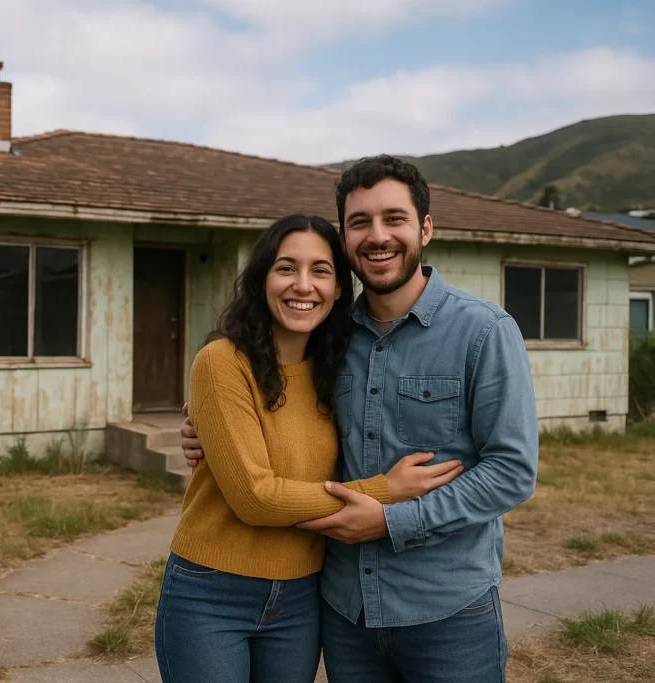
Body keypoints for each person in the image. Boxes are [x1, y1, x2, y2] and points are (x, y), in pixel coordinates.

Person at [180, 155, 539, 682]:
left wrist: (391, 518)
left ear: (425, 228)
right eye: (359, 222)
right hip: (346, 612)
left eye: (394, 218)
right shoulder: (327, 336)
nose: (378, 236)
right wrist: (205, 430)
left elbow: (511, 470)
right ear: (346, 239)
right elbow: (273, 409)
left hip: (447, 611)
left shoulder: (483, 331)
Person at [156, 213, 464, 683]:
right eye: (286, 268)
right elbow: (255, 497)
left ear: (340, 287)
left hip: (301, 596)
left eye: (321, 271)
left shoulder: (338, 369)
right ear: (261, 280)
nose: (303, 285)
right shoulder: (222, 362)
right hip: (211, 591)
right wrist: (386, 490)